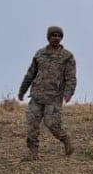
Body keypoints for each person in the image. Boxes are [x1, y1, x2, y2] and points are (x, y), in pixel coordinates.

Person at [17, 26, 77, 160]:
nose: (56, 38)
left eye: (59, 35)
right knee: (32, 125)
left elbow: (71, 77)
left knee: (51, 123)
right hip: (37, 96)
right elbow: (30, 74)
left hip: (54, 97)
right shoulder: (39, 54)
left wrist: (69, 93)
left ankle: (65, 140)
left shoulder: (67, 56)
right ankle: (33, 154)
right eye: (53, 35)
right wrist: (22, 91)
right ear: (48, 37)